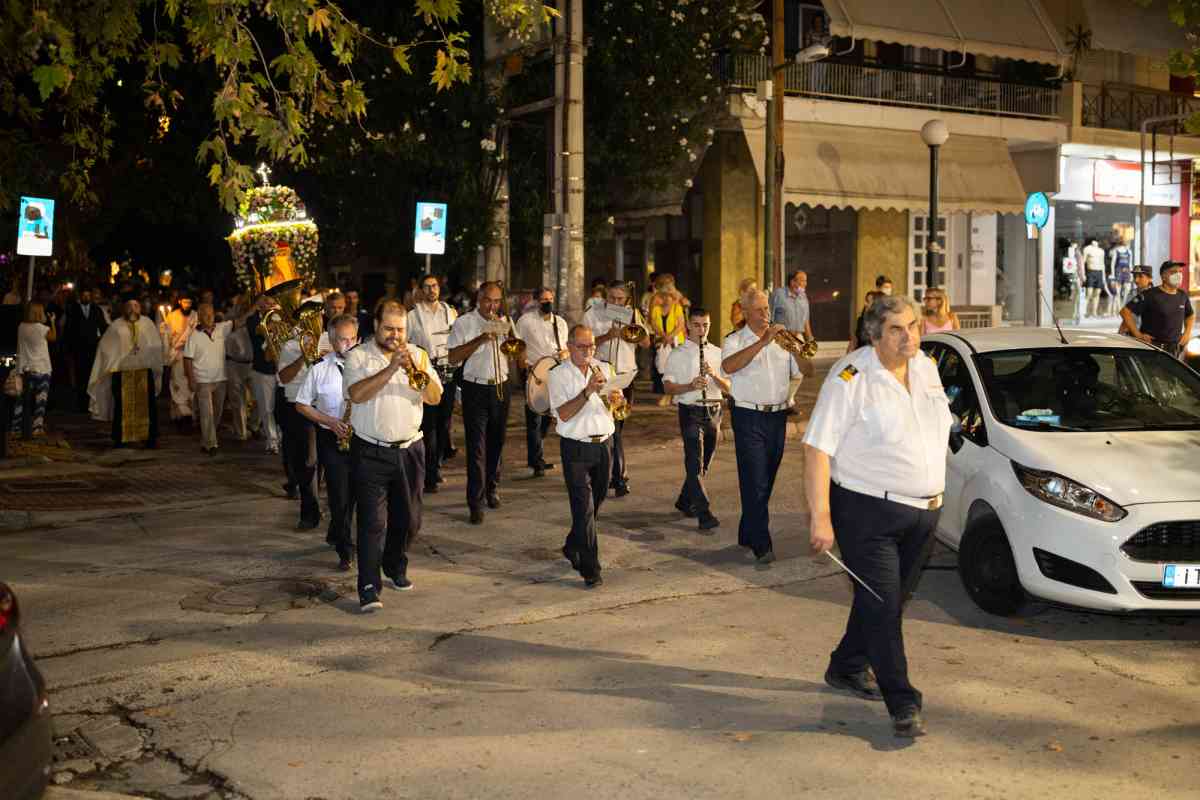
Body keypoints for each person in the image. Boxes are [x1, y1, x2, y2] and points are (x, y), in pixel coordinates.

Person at [803, 294, 953, 738]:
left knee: (884, 601)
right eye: (896, 329)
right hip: (867, 512)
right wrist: (820, 517)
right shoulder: (851, 377)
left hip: (924, 513)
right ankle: (902, 702)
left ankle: (847, 665)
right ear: (874, 335)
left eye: (912, 325)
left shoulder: (926, 367)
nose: (909, 335)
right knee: (885, 608)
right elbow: (817, 448)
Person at [344, 305, 443, 612]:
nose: (395, 335)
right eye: (389, 328)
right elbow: (357, 395)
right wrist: (390, 370)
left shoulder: (419, 355)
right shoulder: (358, 356)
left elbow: (435, 398)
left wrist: (415, 367)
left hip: (410, 449)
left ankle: (394, 563)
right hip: (370, 450)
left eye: (400, 329)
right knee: (372, 523)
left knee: (410, 520)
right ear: (376, 325)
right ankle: (369, 586)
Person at [721, 289, 814, 564]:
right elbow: (728, 366)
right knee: (755, 479)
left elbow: (807, 371)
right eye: (760, 310)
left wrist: (796, 350)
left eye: (767, 309)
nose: (766, 315)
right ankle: (762, 543)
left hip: (777, 416)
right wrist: (762, 342)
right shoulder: (735, 340)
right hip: (748, 416)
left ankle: (747, 530)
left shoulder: (783, 342)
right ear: (745, 312)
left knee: (766, 479)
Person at [549, 325, 620, 588]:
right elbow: (564, 414)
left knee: (595, 504)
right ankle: (591, 569)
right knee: (584, 508)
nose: (589, 351)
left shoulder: (603, 368)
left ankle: (572, 544)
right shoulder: (558, 375)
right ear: (569, 347)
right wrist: (588, 390)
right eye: (582, 347)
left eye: (591, 346)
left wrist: (616, 397)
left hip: (604, 444)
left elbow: (615, 403)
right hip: (576, 447)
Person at [447, 282, 518, 524]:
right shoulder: (464, 323)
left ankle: (492, 488)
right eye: (488, 300)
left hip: (501, 385)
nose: (493, 306)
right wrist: (481, 339)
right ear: (479, 298)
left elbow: (517, 352)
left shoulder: (505, 319)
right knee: (476, 446)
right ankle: (474, 502)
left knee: (497, 441)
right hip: (474, 387)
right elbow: (453, 356)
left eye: (497, 301)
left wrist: (511, 344)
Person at [296, 314, 360, 572]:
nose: (347, 345)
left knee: (356, 495)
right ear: (332, 341)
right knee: (339, 496)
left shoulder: (367, 367)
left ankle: (337, 529)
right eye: (341, 340)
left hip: (362, 438)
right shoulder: (319, 369)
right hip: (331, 438)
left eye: (351, 339)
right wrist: (330, 422)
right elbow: (301, 404)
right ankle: (345, 549)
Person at [662, 307, 730, 531]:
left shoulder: (718, 352)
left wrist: (713, 375)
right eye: (698, 325)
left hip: (714, 410)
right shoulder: (678, 353)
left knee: (703, 464)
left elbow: (729, 386)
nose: (702, 330)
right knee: (694, 461)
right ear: (689, 325)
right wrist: (690, 385)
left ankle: (684, 499)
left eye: (706, 325)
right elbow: (668, 386)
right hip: (690, 410)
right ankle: (704, 513)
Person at [583, 282, 650, 496]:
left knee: (618, 427)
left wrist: (634, 324)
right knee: (606, 428)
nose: (616, 302)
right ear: (605, 296)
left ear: (627, 300)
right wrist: (608, 336)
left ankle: (615, 474)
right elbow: (584, 343)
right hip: (602, 376)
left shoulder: (632, 313)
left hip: (625, 377)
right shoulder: (592, 314)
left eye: (620, 299)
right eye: (612, 298)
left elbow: (646, 343)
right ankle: (616, 476)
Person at [88, 292, 165, 448]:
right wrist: (113, 362)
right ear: (124, 308)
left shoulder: (148, 324)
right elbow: (105, 347)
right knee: (122, 406)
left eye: (136, 305)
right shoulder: (116, 326)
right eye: (129, 306)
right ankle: (121, 438)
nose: (132, 308)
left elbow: (156, 345)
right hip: (122, 372)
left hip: (143, 370)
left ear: (140, 308)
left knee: (148, 406)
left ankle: (149, 438)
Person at [407, 274, 458, 492]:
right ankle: (428, 473)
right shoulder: (412, 316)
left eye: (434, 286)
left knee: (443, 423)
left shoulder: (450, 312)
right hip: (426, 372)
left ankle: (435, 466)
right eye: (426, 287)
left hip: (447, 372)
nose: (431, 290)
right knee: (428, 424)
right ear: (420, 291)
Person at [514, 287, 570, 478]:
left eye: (550, 299)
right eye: (544, 300)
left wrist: (565, 354)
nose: (548, 302)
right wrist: (522, 367)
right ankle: (536, 461)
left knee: (549, 416)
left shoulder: (560, 323)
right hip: (534, 373)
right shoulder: (526, 321)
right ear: (537, 301)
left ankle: (538, 453)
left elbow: (566, 347)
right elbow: (518, 345)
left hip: (556, 373)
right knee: (534, 418)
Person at [182, 302, 240, 455]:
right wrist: (191, 379)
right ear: (199, 317)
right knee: (207, 413)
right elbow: (187, 359)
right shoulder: (193, 336)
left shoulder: (221, 328)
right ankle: (211, 444)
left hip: (220, 379)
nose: (209, 317)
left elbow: (240, 321)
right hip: (203, 381)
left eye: (211, 314)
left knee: (217, 413)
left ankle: (206, 439)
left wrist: (255, 305)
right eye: (205, 315)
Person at [276, 327, 320, 530]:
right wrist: (304, 355)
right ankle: (309, 512)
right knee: (308, 462)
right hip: (300, 407)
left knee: (323, 464)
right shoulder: (290, 346)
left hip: (327, 406)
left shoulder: (330, 341)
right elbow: (283, 378)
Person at [1120, 261, 1195, 359]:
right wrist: (1138, 335)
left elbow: (1190, 315)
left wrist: (1187, 333)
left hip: (1175, 349)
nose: (1178, 275)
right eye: (1173, 272)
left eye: (1180, 271)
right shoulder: (1149, 295)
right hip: (1153, 348)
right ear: (1163, 277)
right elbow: (1125, 312)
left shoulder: (1182, 295)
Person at [12, 302, 56, 437]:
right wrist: (52, 321)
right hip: (41, 368)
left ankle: (16, 428)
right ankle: (37, 426)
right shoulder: (42, 329)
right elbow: (53, 337)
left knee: (21, 401)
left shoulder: (21, 327)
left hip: (24, 368)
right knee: (40, 400)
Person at [65, 288, 109, 411]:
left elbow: (103, 325)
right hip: (78, 348)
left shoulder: (96, 309)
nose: (86, 297)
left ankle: (90, 402)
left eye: (88, 295)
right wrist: (69, 347)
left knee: (91, 374)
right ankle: (80, 404)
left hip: (92, 346)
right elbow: (69, 329)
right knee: (80, 375)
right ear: (80, 296)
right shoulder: (73, 310)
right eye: (84, 295)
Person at [223, 294, 256, 441]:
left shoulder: (255, 318)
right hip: (233, 363)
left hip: (251, 364)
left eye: (246, 304)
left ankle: (254, 425)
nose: (244, 306)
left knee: (260, 399)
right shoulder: (229, 318)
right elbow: (237, 323)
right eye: (241, 304)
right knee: (237, 400)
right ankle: (241, 431)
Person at [164, 294, 197, 429]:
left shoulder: (196, 315)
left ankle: (190, 415)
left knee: (191, 384)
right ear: (180, 302)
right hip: (178, 355)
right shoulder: (172, 316)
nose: (187, 304)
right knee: (178, 384)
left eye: (190, 302)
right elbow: (166, 336)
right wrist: (164, 332)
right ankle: (181, 416)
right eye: (185, 302)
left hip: (193, 356)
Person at [770, 270, 814, 343]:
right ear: (792, 282)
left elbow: (806, 321)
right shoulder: (778, 294)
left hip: (798, 338)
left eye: (805, 281)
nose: (805, 284)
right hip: (781, 338)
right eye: (802, 281)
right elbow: (769, 317)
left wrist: (810, 340)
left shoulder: (804, 297)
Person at [1117, 265, 1155, 337]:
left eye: (1140, 276)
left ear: (1150, 278)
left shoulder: (1155, 295)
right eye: (1135, 276)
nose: (1136, 280)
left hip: (1148, 337)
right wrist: (1120, 334)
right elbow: (1127, 317)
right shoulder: (1132, 293)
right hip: (1132, 335)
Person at [1081, 239, 1107, 318]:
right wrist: (1083, 274)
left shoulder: (1101, 251)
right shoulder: (1087, 249)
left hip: (1099, 272)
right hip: (1090, 272)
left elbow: (1102, 264)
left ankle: (1094, 312)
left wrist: (1104, 277)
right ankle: (1085, 311)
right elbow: (1083, 262)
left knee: (1097, 293)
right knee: (1089, 293)